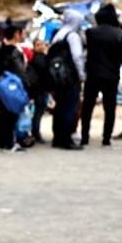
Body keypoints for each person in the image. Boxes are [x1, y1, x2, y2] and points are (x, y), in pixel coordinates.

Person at [81, 3, 122, 146]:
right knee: (110, 108)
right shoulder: (119, 35)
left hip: (93, 73)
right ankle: (106, 138)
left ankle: (85, 136)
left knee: (88, 106)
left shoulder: (91, 33)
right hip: (112, 74)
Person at [0, 21, 30, 152]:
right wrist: (26, 85)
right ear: (16, 34)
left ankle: (2, 141)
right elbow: (20, 71)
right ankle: (9, 142)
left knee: (3, 113)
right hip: (12, 86)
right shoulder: (14, 52)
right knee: (11, 114)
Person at [50, 9, 86, 150]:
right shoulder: (73, 36)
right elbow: (77, 57)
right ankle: (66, 139)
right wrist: (82, 74)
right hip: (70, 77)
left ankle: (57, 137)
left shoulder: (58, 35)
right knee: (70, 107)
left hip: (58, 78)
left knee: (60, 107)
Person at [28, 38, 51, 144]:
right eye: (38, 44)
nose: (41, 46)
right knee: (38, 112)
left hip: (38, 88)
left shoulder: (34, 58)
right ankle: (35, 132)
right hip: (40, 88)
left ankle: (34, 131)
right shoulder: (40, 58)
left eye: (42, 44)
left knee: (37, 111)